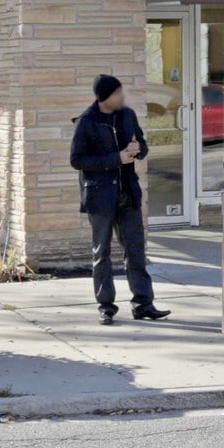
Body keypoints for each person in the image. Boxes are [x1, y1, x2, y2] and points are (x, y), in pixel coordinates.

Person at [70, 73, 169, 325]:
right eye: (117, 93)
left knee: (135, 250)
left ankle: (143, 304)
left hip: (128, 194)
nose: (122, 97)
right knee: (101, 253)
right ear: (103, 97)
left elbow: (142, 146)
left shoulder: (127, 115)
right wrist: (116, 158)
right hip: (100, 197)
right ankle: (106, 306)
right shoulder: (86, 122)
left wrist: (138, 150)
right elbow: (77, 160)